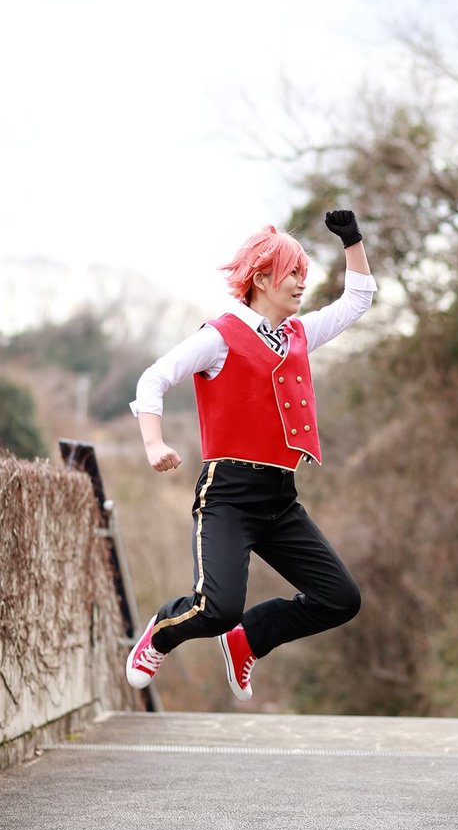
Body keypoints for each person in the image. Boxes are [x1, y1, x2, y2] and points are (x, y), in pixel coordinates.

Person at [126, 210, 376, 701]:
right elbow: (154, 378)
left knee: (339, 598)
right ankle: (160, 634)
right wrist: (154, 442)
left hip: (280, 499)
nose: (302, 283)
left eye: (303, 273)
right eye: (293, 274)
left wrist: (352, 240)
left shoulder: (299, 334)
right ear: (261, 280)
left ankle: (249, 640)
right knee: (217, 609)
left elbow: (358, 300)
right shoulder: (219, 336)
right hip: (229, 495)